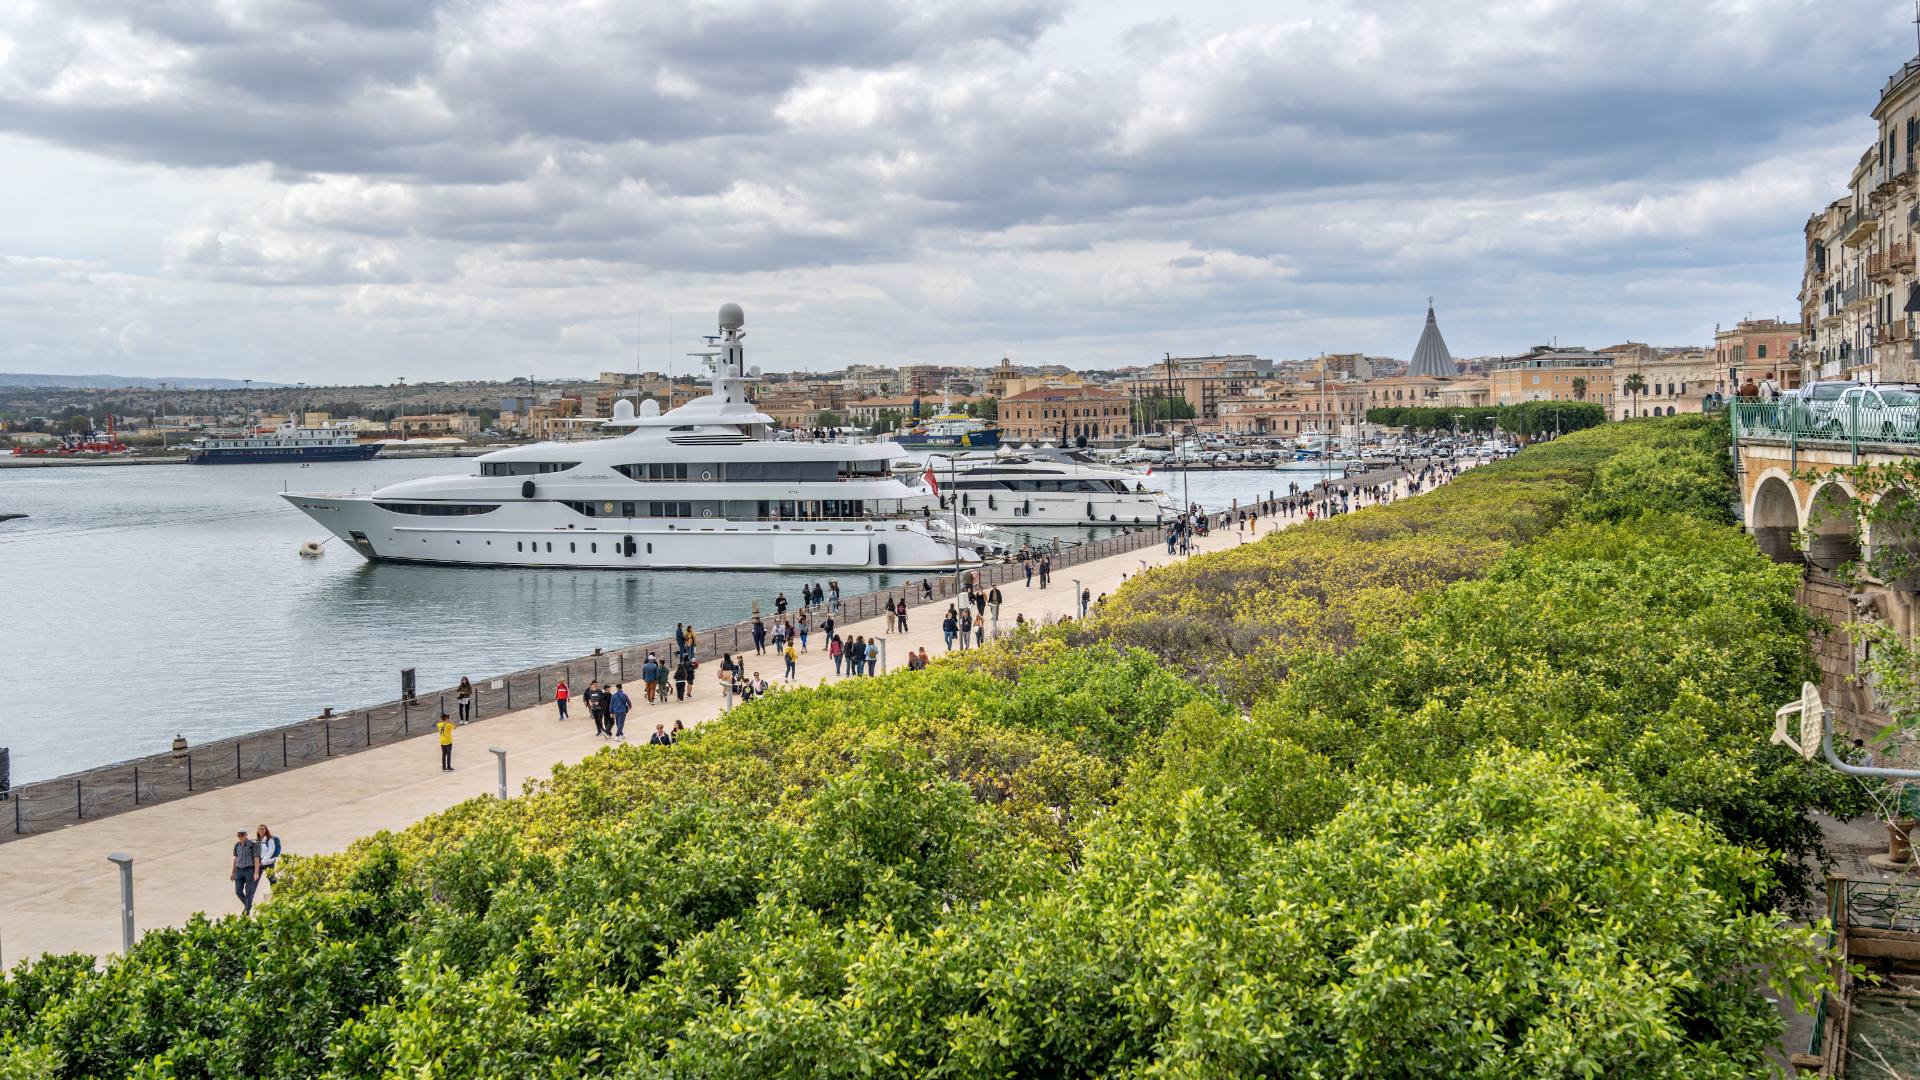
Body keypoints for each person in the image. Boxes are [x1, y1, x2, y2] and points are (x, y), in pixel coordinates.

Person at [232, 829, 262, 916]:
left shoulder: (253, 845)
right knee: (238, 891)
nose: (240, 837)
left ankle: (246, 911)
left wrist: (256, 872)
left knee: (249, 891)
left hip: (249, 870)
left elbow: (257, 859)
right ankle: (248, 905)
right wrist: (233, 872)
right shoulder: (237, 845)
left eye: (242, 835)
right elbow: (235, 859)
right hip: (239, 870)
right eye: (239, 835)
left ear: (246, 835)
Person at [255, 824, 282, 890]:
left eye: (263, 829)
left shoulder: (270, 839)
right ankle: (250, 896)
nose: (261, 830)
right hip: (259, 862)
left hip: (269, 863)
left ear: (266, 830)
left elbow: (271, 851)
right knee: (255, 880)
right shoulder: (257, 840)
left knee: (272, 880)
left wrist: (263, 861)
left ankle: (276, 894)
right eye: (260, 829)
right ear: (258, 831)